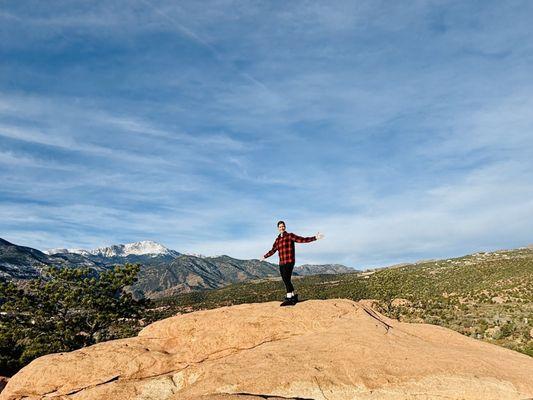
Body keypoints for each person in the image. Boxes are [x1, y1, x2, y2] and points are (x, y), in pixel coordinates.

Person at [261, 220, 324, 305]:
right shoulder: (277, 240)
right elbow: (273, 250)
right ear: (278, 228)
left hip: (290, 261)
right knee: (285, 279)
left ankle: (289, 298)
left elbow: (302, 239)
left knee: (286, 279)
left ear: (285, 227)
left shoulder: (290, 236)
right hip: (282, 262)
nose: (282, 228)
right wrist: (265, 256)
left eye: (283, 226)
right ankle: (293, 296)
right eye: (280, 227)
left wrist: (315, 238)